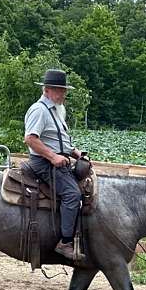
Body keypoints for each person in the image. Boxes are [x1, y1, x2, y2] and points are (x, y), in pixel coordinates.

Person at [24, 69, 84, 261]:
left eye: (64, 90)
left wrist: (75, 152)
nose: (63, 94)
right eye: (59, 90)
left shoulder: (59, 109)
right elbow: (31, 139)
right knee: (72, 194)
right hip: (43, 162)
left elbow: (60, 138)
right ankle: (65, 242)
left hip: (59, 159)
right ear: (47, 90)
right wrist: (53, 157)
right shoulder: (39, 110)